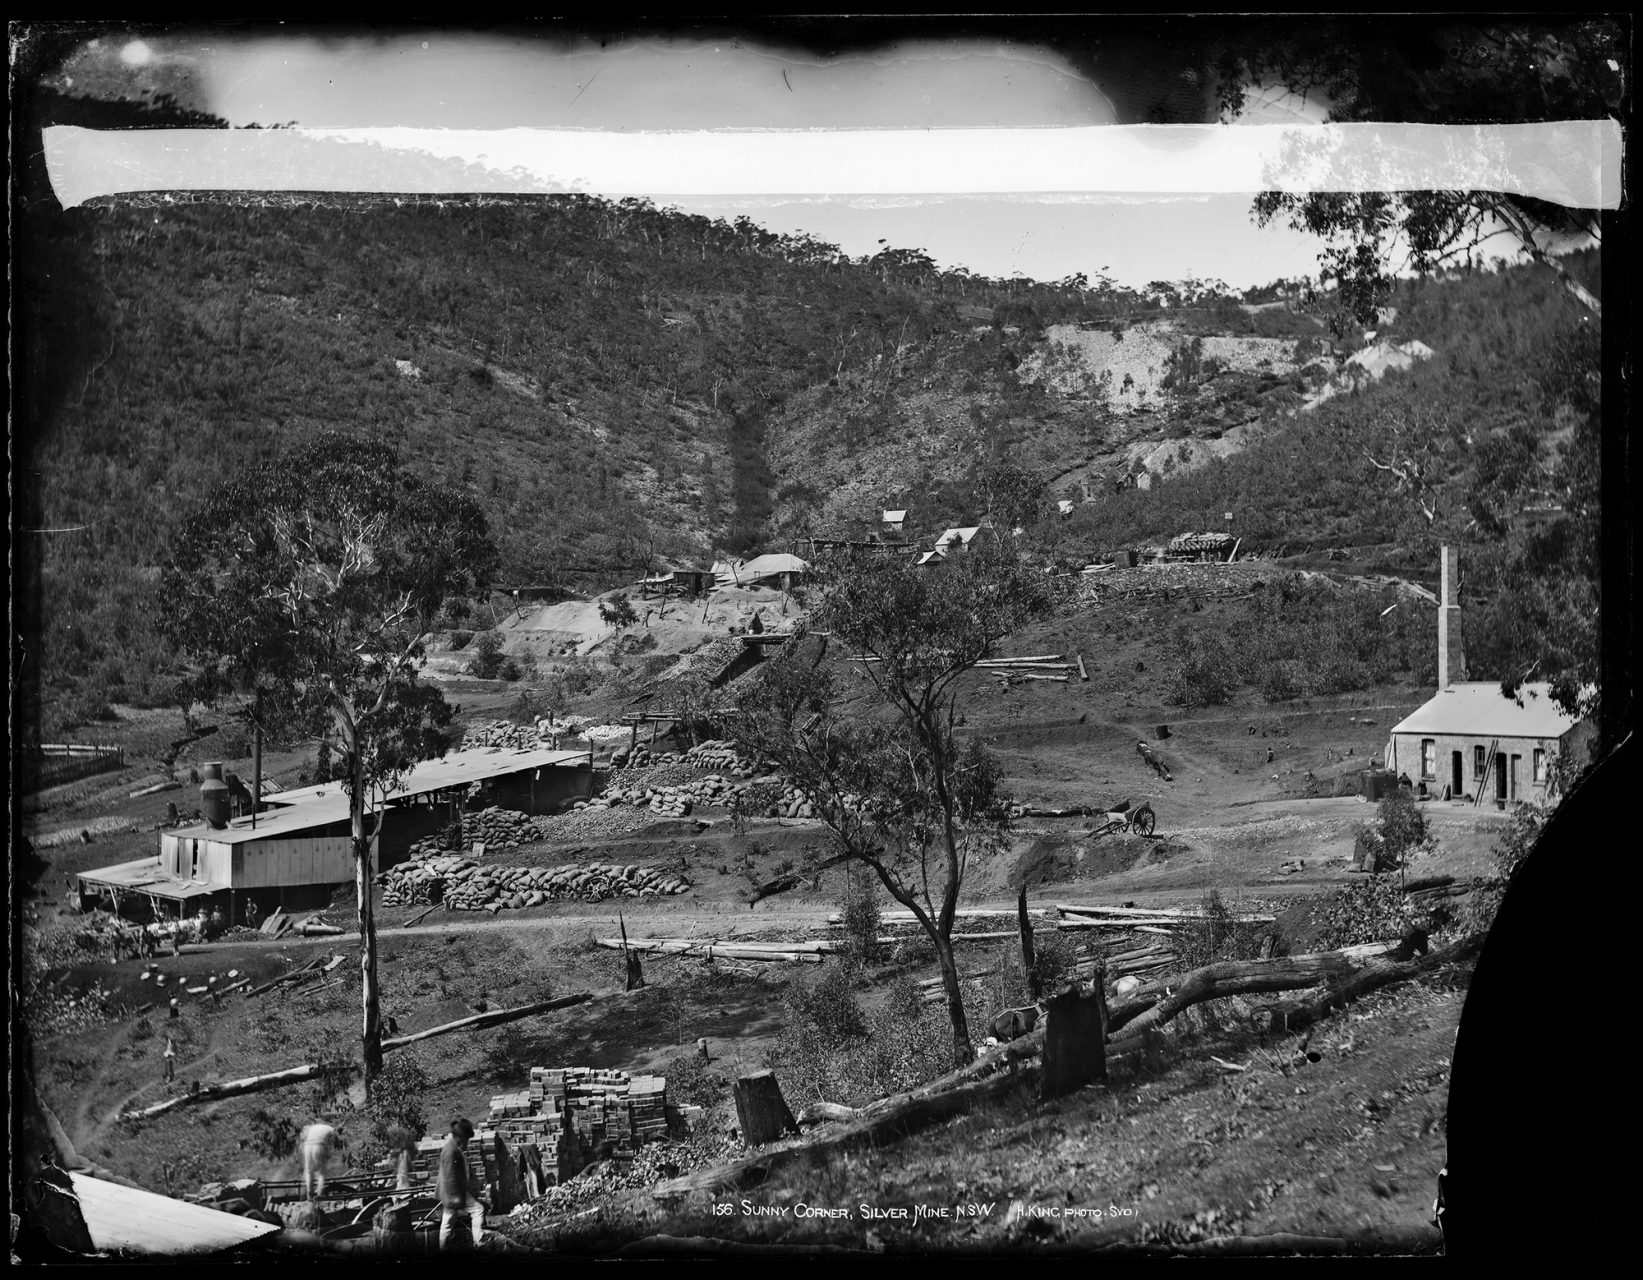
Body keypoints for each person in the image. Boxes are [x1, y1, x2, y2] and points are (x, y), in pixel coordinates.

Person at [438, 1118, 485, 1250]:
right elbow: (449, 1176)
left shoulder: (451, 1148)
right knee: (478, 1210)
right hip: (453, 1192)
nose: (467, 1143)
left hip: (450, 1192)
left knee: (447, 1222)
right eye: (466, 1140)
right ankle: (479, 1243)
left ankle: (443, 1248)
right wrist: (456, 1196)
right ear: (460, 1138)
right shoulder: (451, 1152)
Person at [300, 1121, 337, 1201]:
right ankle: (319, 1195)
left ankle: (310, 1194)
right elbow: (331, 1144)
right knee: (321, 1173)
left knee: (308, 1171)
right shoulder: (331, 1129)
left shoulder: (313, 1127)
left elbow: (303, 1136)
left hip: (307, 1146)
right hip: (319, 1145)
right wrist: (327, 1154)